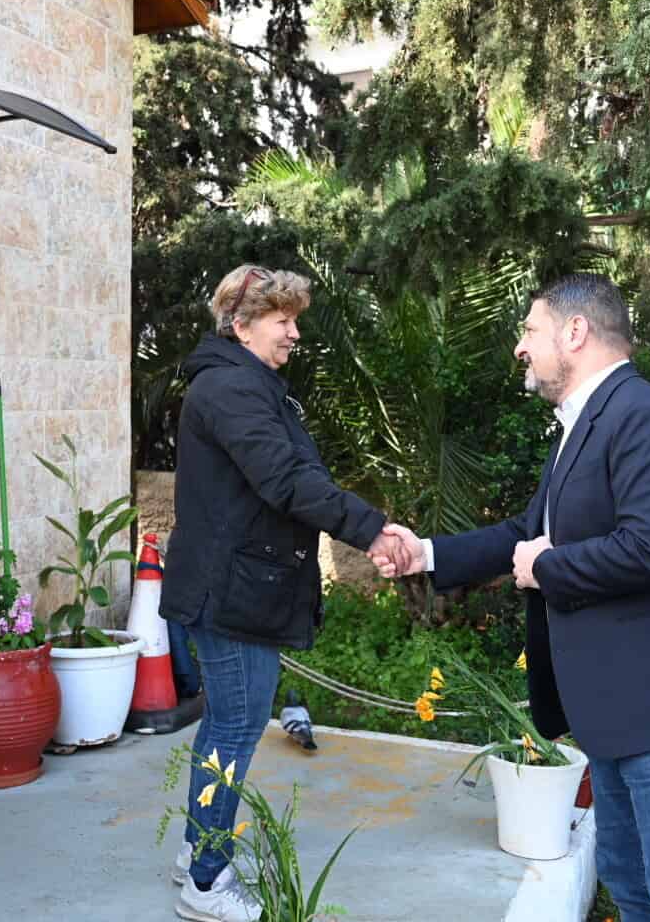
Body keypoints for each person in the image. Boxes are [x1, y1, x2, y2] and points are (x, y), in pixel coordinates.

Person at [373, 273, 650, 922]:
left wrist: (547, 567)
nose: (520, 347)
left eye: (530, 330)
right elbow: (525, 534)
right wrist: (428, 554)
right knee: (634, 894)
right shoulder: (582, 428)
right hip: (618, 719)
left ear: (576, 331)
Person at [162, 263, 412, 922]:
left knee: (227, 724)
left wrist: (364, 523)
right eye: (283, 320)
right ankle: (207, 883)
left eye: (295, 320)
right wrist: (371, 528)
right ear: (241, 325)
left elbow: (294, 474)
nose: (295, 333)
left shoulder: (246, 384)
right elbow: (286, 481)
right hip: (230, 591)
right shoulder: (231, 389)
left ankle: (196, 854)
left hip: (238, 586)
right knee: (236, 728)